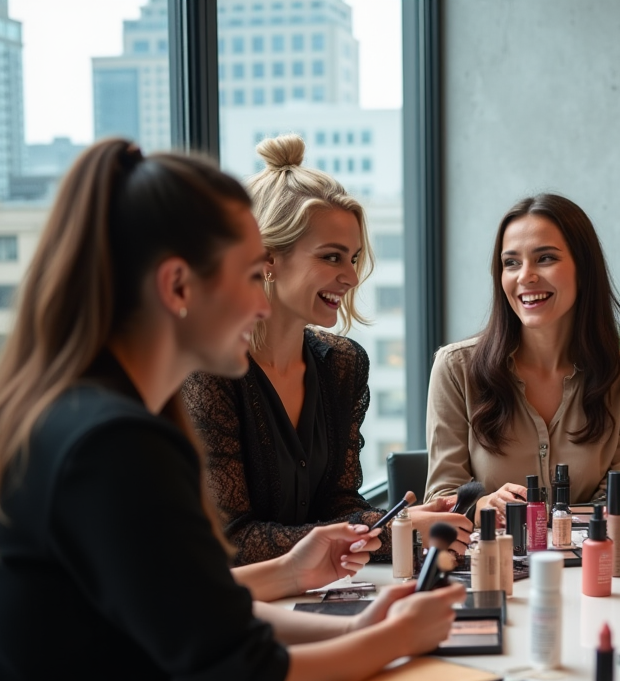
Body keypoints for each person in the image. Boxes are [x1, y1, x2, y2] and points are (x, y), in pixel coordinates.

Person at [0, 140, 465, 681]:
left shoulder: (80, 412)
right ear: (177, 286)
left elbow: (204, 615)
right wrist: (389, 642)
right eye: (254, 275)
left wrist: (356, 626)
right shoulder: (114, 443)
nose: (263, 304)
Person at [183, 134, 471, 565]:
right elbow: (233, 540)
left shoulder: (343, 363)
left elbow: (337, 503)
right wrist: (393, 532)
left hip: (317, 593)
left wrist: (404, 522)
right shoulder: (206, 371)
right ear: (268, 259)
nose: (351, 278)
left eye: (353, 259)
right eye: (332, 257)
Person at [426, 194, 620, 521]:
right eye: (511, 263)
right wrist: (483, 505)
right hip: (491, 561)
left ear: (583, 270)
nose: (525, 276)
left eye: (545, 258)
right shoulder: (455, 369)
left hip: (586, 562)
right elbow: (443, 499)